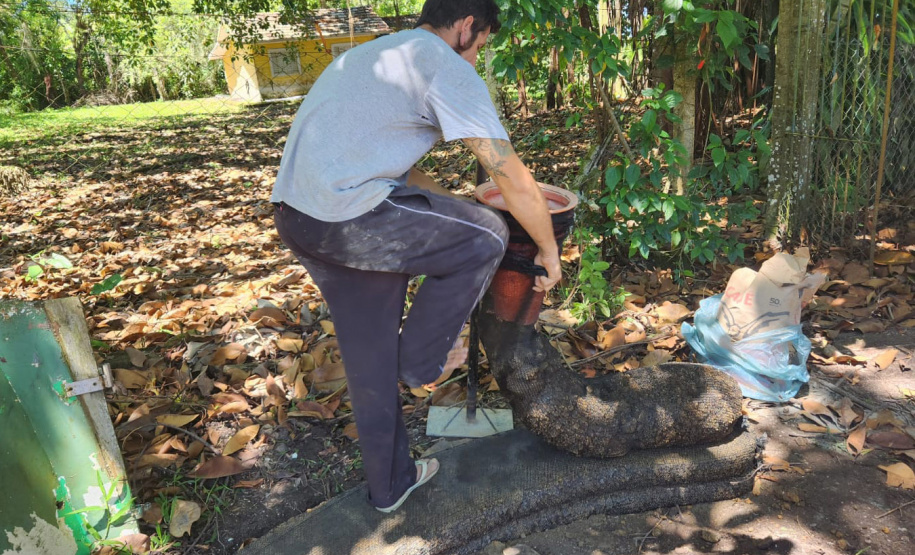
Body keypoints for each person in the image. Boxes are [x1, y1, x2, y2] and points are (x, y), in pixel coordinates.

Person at [271, 0, 560, 513]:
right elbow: (511, 176)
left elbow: (397, 170)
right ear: (466, 27)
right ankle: (422, 361)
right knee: (487, 235)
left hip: (301, 215)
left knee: (369, 355)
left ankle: (391, 485)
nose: (476, 57)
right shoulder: (442, 63)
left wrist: (454, 207)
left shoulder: (378, 56)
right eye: (481, 45)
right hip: (352, 215)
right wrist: (549, 248)